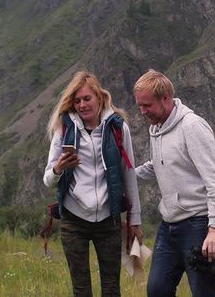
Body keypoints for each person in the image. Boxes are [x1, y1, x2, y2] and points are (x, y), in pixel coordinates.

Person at [43, 70, 143, 297]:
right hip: (73, 219)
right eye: (76, 101)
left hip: (109, 219)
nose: (82, 105)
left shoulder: (118, 128)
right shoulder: (64, 129)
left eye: (86, 99)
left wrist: (135, 220)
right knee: (81, 289)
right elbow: (49, 179)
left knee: (111, 288)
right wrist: (60, 168)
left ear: (99, 97)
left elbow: (129, 174)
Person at [133, 69, 215, 297]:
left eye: (147, 105)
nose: (143, 112)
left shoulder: (193, 127)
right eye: (140, 106)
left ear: (165, 98)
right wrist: (124, 176)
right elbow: (157, 165)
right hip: (169, 225)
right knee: (157, 290)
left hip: (199, 225)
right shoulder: (156, 127)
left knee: (203, 292)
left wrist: (214, 229)